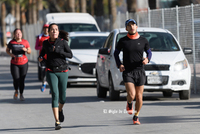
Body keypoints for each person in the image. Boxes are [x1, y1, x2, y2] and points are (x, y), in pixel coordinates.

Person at [114, 19, 152, 125]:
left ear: (137, 26)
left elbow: (149, 52)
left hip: (139, 71)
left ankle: (136, 116)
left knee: (139, 97)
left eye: (133, 25)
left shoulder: (143, 40)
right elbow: (116, 53)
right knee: (131, 95)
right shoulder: (123, 41)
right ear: (126, 28)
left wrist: (147, 59)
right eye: (129, 25)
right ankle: (129, 102)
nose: (132, 27)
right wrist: (119, 64)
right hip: (128, 71)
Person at [38, 23, 73, 130]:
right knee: (55, 94)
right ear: (48, 32)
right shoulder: (45, 43)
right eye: (52, 30)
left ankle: (60, 109)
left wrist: (58, 51)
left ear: (58, 32)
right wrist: (41, 58)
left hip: (63, 70)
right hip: (50, 71)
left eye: (56, 30)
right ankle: (57, 121)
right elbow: (42, 54)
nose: (54, 31)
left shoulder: (63, 42)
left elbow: (70, 55)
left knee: (63, 97)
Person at [6, 28, 31, 101]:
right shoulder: (11, 42)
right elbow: (7, 50)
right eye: (17, 33)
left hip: (24, 63)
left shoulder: (25, 42)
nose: (19, 34)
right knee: (16, 79)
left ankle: (21, 94)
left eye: (20, 33)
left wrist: (26, 50)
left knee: (22, 79)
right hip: (14, 63)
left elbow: (29, 51)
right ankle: (16, 90)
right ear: (14, 35)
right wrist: (11, 54)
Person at [35, 24, 49, 92]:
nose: (46, 30)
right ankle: (43, 83)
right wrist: (43, 47)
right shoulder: (40, 37)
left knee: (51, 72)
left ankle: (52, 87)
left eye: (47, 28)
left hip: (50, 58)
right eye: (45, 28)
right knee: (43, 72)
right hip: (42, 57)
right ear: (43, 29)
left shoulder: (52, 37)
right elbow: (36, 47)